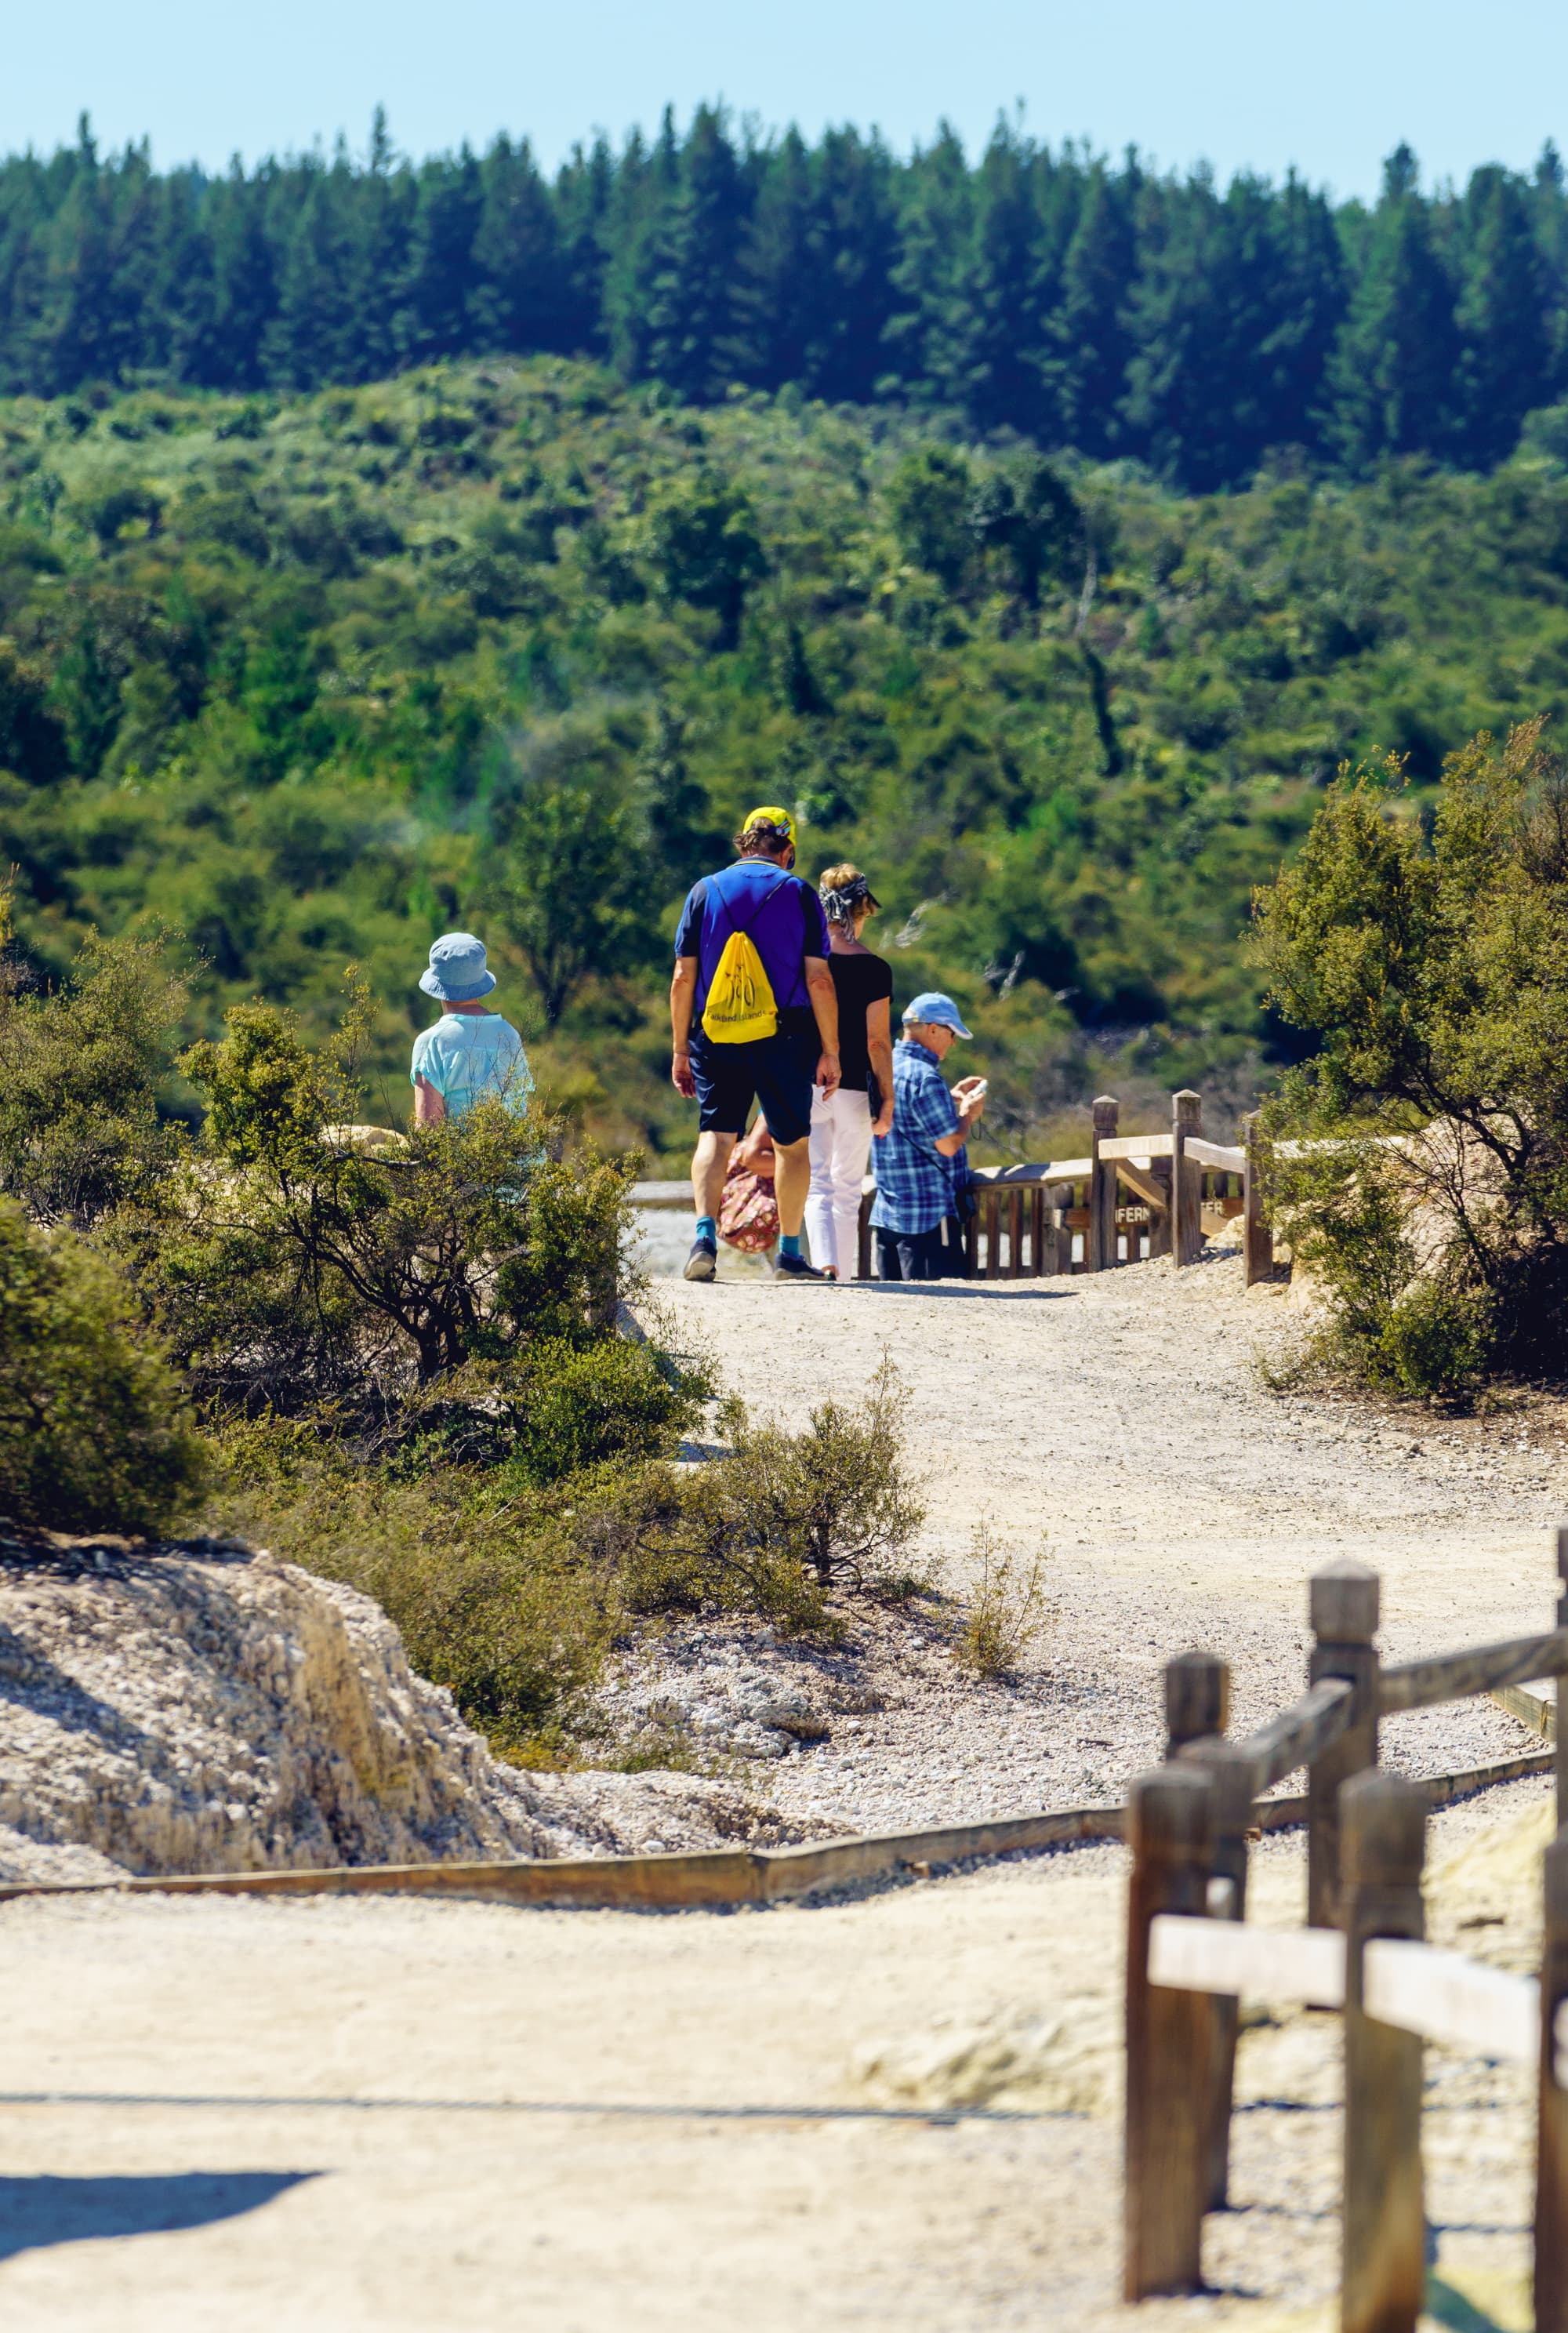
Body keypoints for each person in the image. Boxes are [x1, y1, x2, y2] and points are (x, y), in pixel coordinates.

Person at [670, 806, 840, 1283]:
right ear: (786, 851)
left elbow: (683, 977)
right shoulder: (799, 892)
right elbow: (820, 980)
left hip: (715, 1032)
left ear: (743, 844)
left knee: (716, 1134)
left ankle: (704, 1237)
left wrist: (681, 1049)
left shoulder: (703, 890)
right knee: (792, 1145)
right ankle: (789, 1255)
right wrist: (831, 1050)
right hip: (786, 1035)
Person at [805, 865, 894, 1280]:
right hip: (856, 1087)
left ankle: (824, 1263)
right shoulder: (876, 969)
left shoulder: (805, 960)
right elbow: (877, 1041)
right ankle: (843, 1275)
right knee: (847, 1187)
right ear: (862, 908)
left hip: (809, 1080)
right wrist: (888, 1098)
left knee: (816, 1182)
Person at [869, 992, 986, 1280]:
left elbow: (905, 1120)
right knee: (940, 1311)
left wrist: (948, 1099)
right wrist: (967, 1114)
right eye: (952, 1033)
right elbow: (947, 1145)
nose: (954, 1042)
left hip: (887, 1217)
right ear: (933, 1029)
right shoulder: (926, 1078)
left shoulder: (882, 1067)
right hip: (929, 1220)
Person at [410, 932, 532, 1123]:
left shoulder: (432, 1042)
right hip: (519, 1154)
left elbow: (429, 1132)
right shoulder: (510, 1035)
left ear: (436, 983)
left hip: (466, 1154)